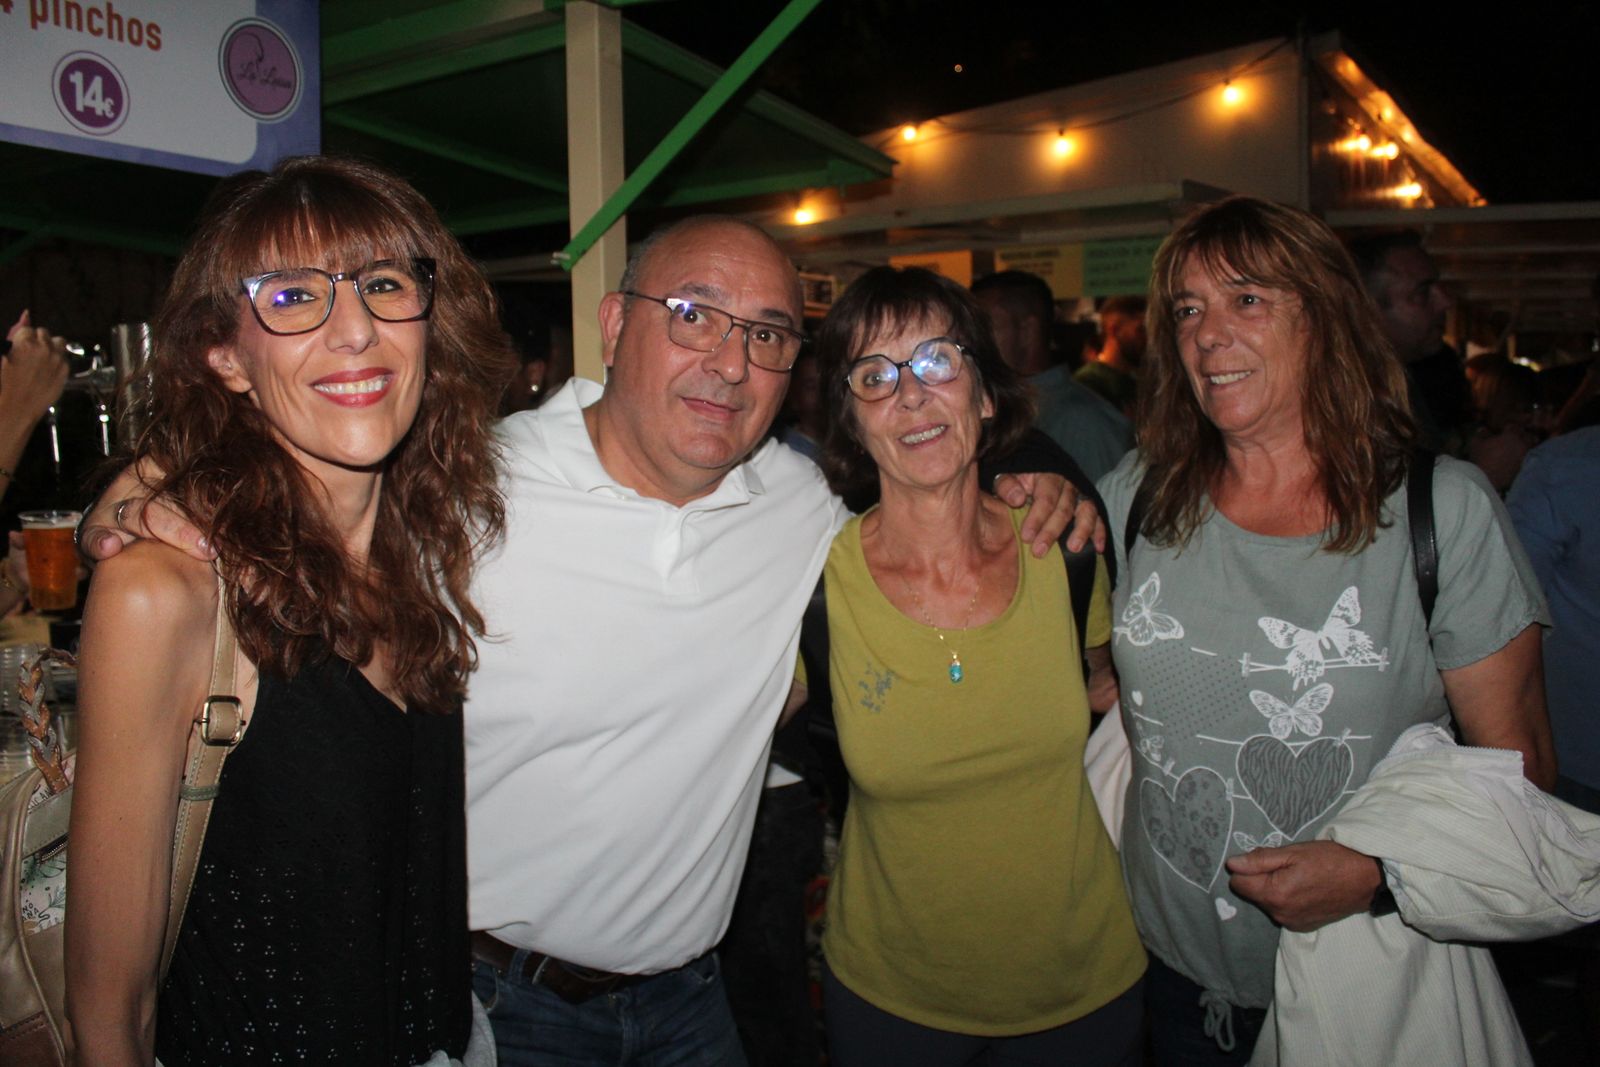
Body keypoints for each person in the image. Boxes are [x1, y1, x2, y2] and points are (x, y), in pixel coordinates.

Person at [81, 214, 1100, 1066]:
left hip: (696, 1006)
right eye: (693, 316)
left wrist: (1031, 486)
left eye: (767, 333)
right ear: (614, 323)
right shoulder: (466, 483)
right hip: (496, 1006)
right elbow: (299, 478)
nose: (729, 361)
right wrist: (142, 487)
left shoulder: (798, 506)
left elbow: (918, 524)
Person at [64, 156, 512, 1065]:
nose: (355, 330)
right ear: (226, 355)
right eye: (293, 296)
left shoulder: (426, 549)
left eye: (385, 284)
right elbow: (106, 1014)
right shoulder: (165, 591)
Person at [1100, 196, 1556, 1065]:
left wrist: (1378, 877)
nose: (1206, 334)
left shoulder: (1439, 509)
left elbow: (1522, 771)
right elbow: (1109, 673)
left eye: (1247, 300)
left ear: (1326, 318)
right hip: (1168, 973)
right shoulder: (1138, 498)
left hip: (1367, 975)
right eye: (1189, 309)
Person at [806, 265, 1145, 1067]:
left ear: (985, 394)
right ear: (852, 420)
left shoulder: (1066, 549)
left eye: (936, 361)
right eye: (874, 376)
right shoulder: (813, 583)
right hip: (891, 999)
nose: (912, 395)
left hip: (1083, 988)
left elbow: (1111, 682)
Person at [972, 270, 1133, 484]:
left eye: (984, 328)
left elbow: (1110, 511)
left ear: (1027, 330)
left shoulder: (1083, 421)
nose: (972, 342)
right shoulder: (998, 408)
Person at [1075, 295, 1145, 416]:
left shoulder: (1138, 381)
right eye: (1140, 330)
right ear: (1115, 330)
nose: (1146, 338)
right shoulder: (1089, 382)